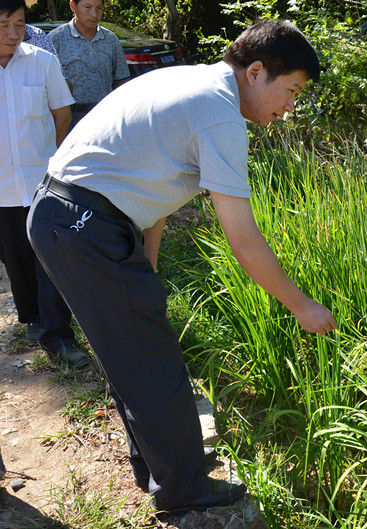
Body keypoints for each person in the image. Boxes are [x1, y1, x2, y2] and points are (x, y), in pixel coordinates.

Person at [28, 19, 336, 516]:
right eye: (291, 91)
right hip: (84, 224)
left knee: (136, 355)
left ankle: (159, 467)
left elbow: (152, 179)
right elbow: (243, 237)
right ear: (256, 71)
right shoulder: (219, 114)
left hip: (72, 217)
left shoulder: (194, 82)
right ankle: (185, 490)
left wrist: (143, 266)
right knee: (151, 361)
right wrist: (302, 306)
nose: (288, 109)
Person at [0, 0, 88, 368]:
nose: (12, 33)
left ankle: (59, 335)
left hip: (41, 182)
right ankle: (33, 318)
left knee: (49, 258)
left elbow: (62, 113)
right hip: (2, 188)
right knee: (16, 259)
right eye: (4, 24)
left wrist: (50, 160)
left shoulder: (42, 61)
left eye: (19, 24)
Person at [47, 0, 129, 128]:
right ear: (73, 6)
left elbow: (122, 82)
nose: (94, 14)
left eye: (99, 8)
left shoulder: (110, 40)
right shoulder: (55, 39)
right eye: (87, 7)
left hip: (105, 114)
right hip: (70, 117)